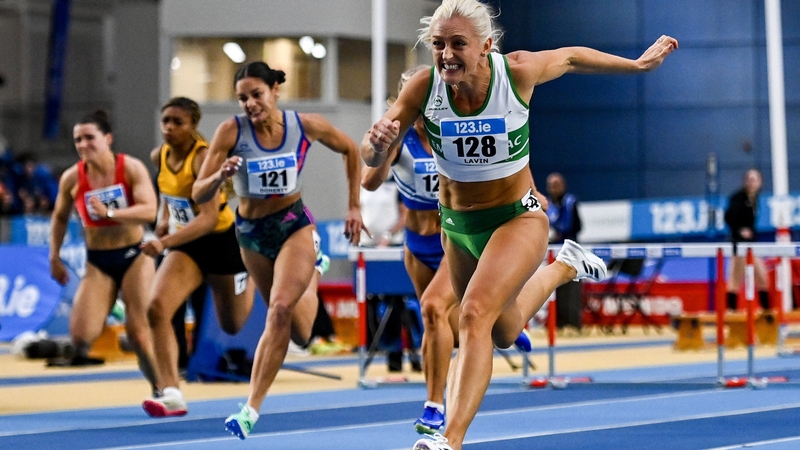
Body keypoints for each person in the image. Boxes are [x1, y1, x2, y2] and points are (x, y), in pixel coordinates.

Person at [361, 1, 677, 448]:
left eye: (458, 44)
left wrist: (636, 65)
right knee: (504, 332)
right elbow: (371, 159)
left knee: (471, 316)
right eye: (438, 45)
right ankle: (564, 265)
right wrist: (375, 146)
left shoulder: (517, 73)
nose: (446, 54)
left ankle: (448, 439)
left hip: (517, 218)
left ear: (486, 46)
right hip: (457, 226)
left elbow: (570, 57)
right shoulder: (423, 87)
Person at [363, 65, 543, 435]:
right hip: (416, 244)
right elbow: (369, 180)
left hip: (454, 236)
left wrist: (532, 193)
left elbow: (505, 165)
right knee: (443, 325)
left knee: (432, 308)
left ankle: (434, 407)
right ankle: (507, 317)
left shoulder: (452, 126)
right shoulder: (402, 137)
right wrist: (381, 146)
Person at [191, 61, 366, 440]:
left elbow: (351, 150)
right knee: (299, 332)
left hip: (294, 225)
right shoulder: (230, 131)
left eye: (257, 94)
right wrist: (220, 177)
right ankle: (313, 274)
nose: (250, 104)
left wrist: (354, 205)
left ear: (275, 91)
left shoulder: (305, 126)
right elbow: (197, 192)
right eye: (242, 98)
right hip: (251, 234)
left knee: (279, 309)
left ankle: (250, 409)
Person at [138, 97, 256, 418]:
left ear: (193, 125)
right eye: (165, 121)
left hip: (219, 242)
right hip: (187, 246)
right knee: (157, 308)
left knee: (233, 325)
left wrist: (163, 243)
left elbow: (205, 220)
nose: (169, 128)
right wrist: (164, 218)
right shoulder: (159, 154)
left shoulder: (202, 158)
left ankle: (254, 275)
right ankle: (171, 391)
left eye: (177, 122)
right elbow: (168, 190)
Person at [48, 110, 159, 388]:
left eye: (89, 138)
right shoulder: (72, 178)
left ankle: (164, 390)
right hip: (98, 261)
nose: (83, 144)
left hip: (135, 255)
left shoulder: (130, 168)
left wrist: (110, 213)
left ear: (107, 138)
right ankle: (116, 304)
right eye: (78, 139)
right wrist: (54, 256)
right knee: (81, 337)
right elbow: (59, 218)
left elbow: (149, 211)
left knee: (138, 333)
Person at [724, 168, 769, 310]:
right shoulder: (738, 198)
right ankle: (732, 312)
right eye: (750, 179)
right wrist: (740, 230)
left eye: (755, 179)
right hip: (739, 245)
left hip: (751, 245)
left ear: (760, 182)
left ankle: (767, 315)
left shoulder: (754, 198)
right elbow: (728, 217)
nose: (752, 182)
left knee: (762, 278)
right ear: (745, 182)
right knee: (735, 281)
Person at [545, 172, 583, 331]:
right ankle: (558, 322)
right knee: (555, 285)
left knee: (572, 285)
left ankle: (574, 323)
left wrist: (561, 234)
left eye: (558, 185)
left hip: (571, 250)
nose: (555, 188)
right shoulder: (546, 205)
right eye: (552, 185)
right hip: (554, 252)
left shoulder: (571, 202)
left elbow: (578, 227)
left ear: (563, 186)